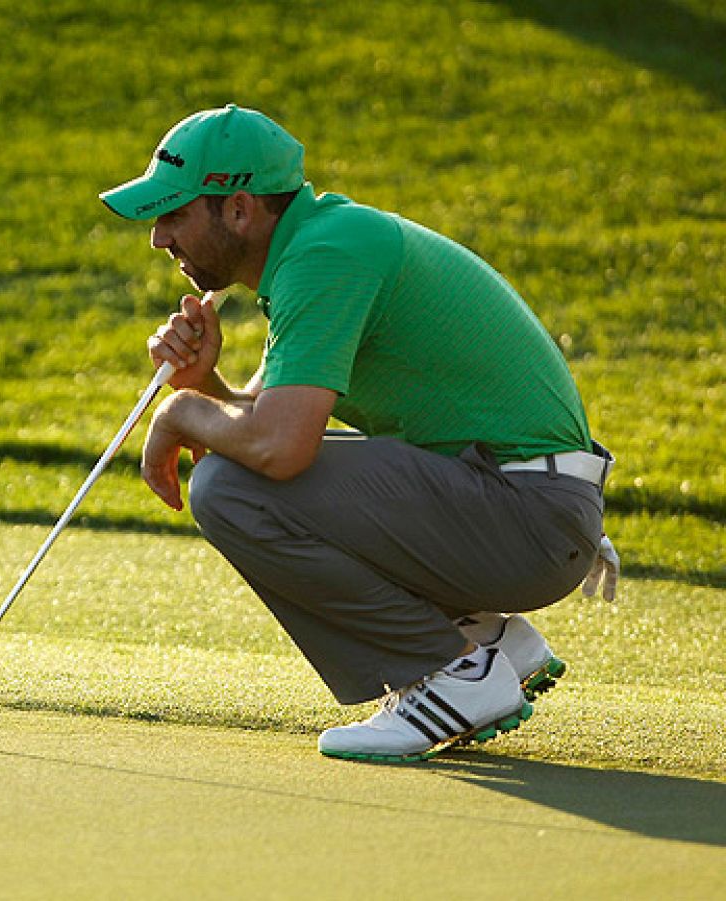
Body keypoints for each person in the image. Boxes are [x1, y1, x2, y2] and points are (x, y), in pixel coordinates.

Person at [99, 104, 620, 762]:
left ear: (238, 209)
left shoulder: (325, 255)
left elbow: (278, 451)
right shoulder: (320, 244)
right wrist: (204, 386)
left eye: (174, 213)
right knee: (239, 473)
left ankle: (452, 671)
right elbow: (260, 420)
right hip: (522, 509)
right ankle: (482, 639)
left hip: (526, 518)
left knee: (227, 488)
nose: (158, 237)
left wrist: (176, 417)